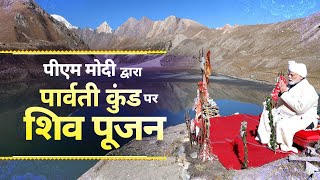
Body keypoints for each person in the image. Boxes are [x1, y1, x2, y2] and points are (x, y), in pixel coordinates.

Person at [256, 61, 319, 153]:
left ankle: (285, 145)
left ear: (300, 76)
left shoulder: (309, 90)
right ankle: (266, 138)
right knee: (267, 114)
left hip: (305, 118)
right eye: (289, 74)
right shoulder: (291, 86)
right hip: (290, 114)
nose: (289, 77)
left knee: (283, 124)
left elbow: (300, 109)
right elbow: (283, 102)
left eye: (292, 75)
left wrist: (285, 93)